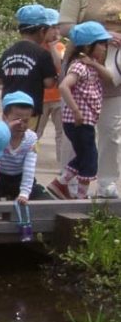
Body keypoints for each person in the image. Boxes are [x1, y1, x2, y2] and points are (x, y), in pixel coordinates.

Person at [59, 0, 121, 198]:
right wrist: (99, 35)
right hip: (83, 68)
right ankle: (69, 179)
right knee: (78, 128)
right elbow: (64, 27)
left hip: (114, 68)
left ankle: (107, 180)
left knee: (111, 129)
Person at [48, 22, 115, 200]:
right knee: (90, 158)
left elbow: (110, 78)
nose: (104, 48)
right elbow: (64, 86)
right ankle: (81, 196)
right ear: (87, 46)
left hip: (86, 120)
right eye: (101, 44)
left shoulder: (91, 65)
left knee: (83, 155)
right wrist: (76, 111)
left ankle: (60, 183)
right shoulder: (79, 66)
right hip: (78, 121)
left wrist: (95, 65)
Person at [0, 4, 58, 128]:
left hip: (9, 109)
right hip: (30, 110)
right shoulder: (42, 54)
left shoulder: (9, 51)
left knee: (10, 139)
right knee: (26, 140)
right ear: (42, 31)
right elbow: (50, 83)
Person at [0, 91, 49, 203]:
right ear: (5, 118)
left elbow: (29, 168)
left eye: (26, 121)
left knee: (43, 199)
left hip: (19, 178)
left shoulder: (32, 138)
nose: (21, 125)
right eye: (16, 120)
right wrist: (5, 131)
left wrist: (24, 193)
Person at [36, 8, 68, 168]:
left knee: (61, 134)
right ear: (43, 30)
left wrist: (54, 46)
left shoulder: (60, 47)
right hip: (40, 98)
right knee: (34, 133)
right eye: (53, 28)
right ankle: (25, 163)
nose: (56, 31)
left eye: (58, 27)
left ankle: (63, 166)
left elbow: (60, 67)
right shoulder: (36, 47)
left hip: (57, 98)